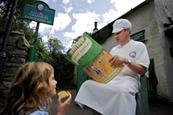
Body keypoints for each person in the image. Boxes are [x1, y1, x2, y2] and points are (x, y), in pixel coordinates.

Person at [75, 18, 150, 115]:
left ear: (128, 31)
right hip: (112, 79)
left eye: (118, 32)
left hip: (129, 80)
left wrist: (126, 61)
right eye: (115, 34)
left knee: (122, 92)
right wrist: (93, 69)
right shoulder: (113, 49)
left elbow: (142, 70)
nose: (116, 36)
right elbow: (107, 68)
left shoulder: (139, 46)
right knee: (87, 84)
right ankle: (99, 111)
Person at [0, 62, 72, 115]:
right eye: (52, 78)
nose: (56, 82)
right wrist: (60, 112)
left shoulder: (30, 103)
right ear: (40, 85)